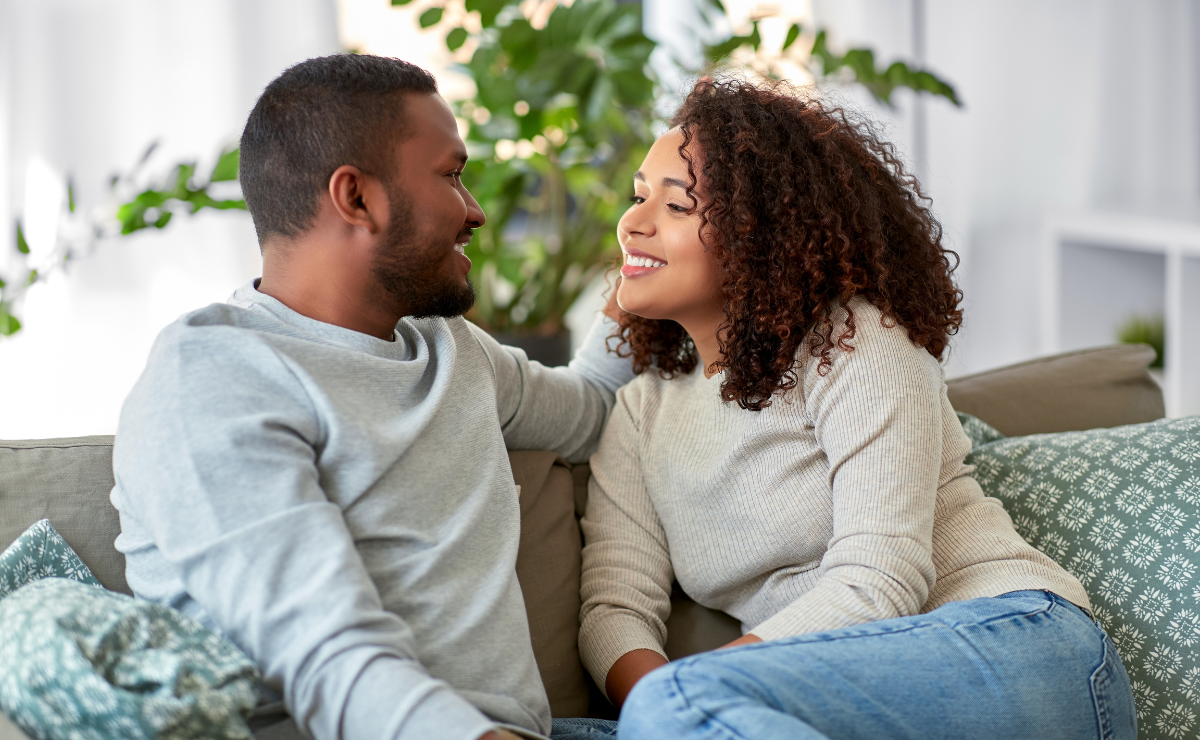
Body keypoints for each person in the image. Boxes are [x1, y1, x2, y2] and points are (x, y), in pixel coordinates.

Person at [578, 77, 1138, 740]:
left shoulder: (852, 341)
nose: (632, 223)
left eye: (676, 206)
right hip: (828, 697)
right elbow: (615, 607)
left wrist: (684, 696)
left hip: (1019, 646)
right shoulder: (641, 412)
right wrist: (663, 707)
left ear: (761, 233)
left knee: (671, 711)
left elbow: (881, 581)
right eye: (639, 196)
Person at [111, 55, 623, 740]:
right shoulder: (213, 374)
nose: (474, 210)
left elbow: (591, 412)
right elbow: (329, 658)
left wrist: (639, 293)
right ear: (355, 197)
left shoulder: (454, 352)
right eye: (450, 174)